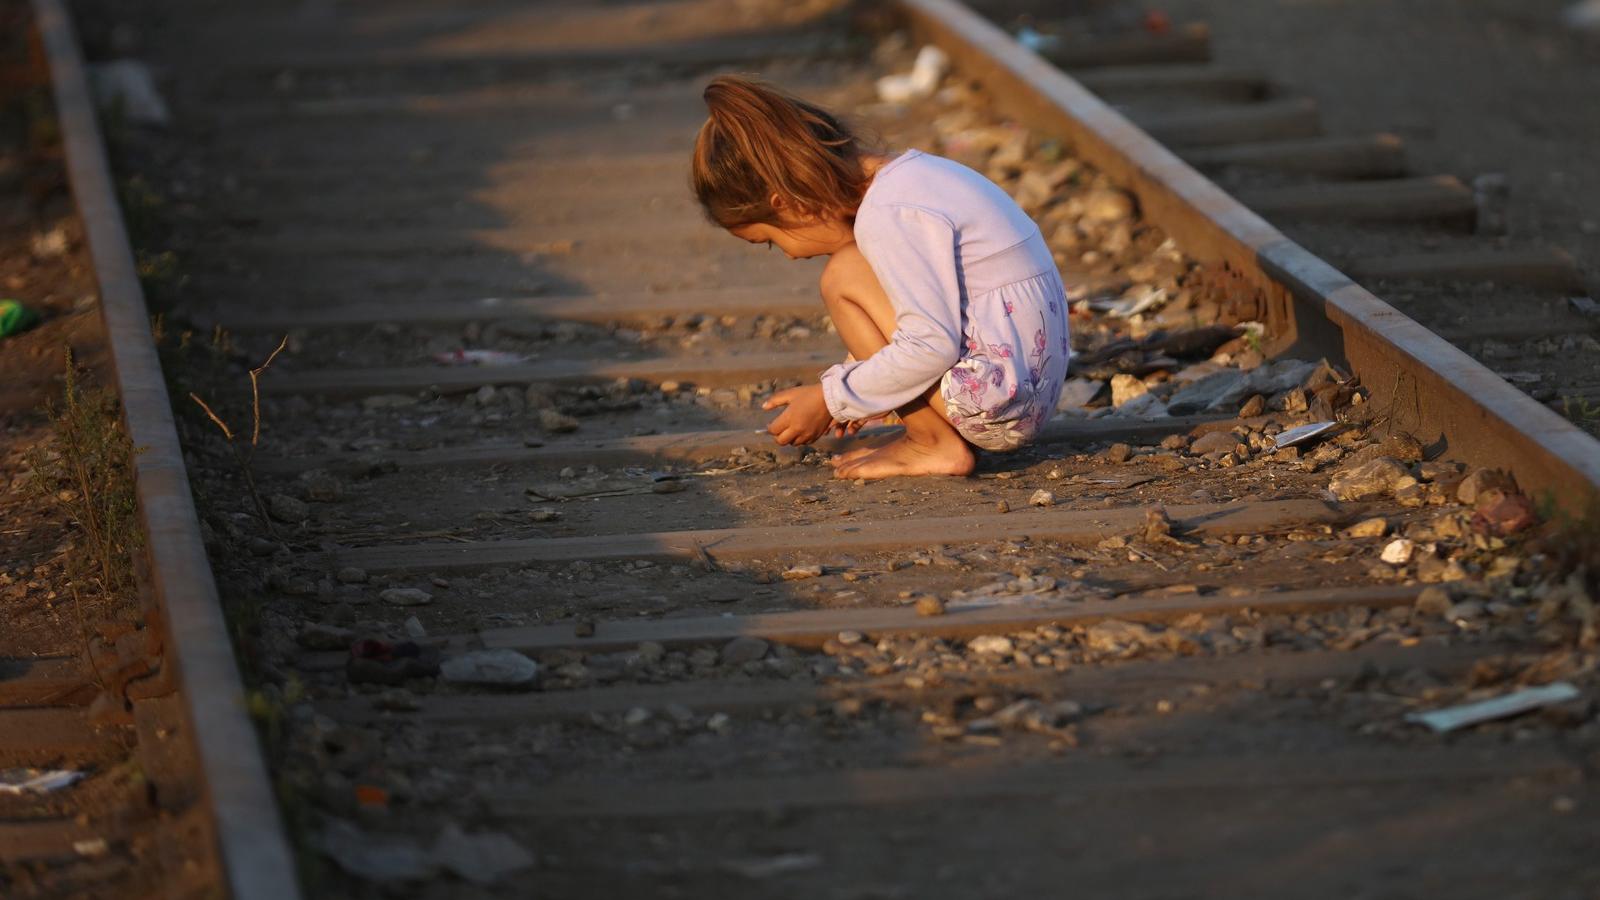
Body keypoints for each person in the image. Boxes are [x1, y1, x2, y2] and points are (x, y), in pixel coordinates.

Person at [690, 75, 1071, 479]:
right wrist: (865, 385)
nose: (786, 255)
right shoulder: (913, 177)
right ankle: (932, 435)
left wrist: (832, 397)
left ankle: (933, 443)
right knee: (854, 267)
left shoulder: (887, 213)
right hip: (1024, 390)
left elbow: (930, 346)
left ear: (787, 204)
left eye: (768, 240)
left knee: (843, 276)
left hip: (998, 403)